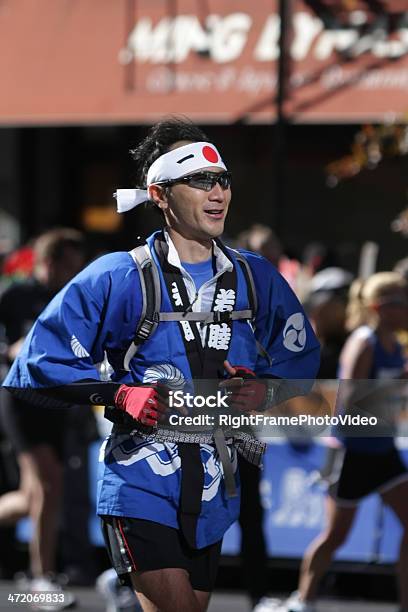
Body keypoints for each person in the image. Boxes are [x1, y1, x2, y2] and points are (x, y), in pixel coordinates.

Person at [3, 117, 320, 612]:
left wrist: (267, 389)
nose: (217, 192)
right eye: (199, 181)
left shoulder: (255, 276)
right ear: (160, 194)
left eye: (223, 181)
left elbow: (300, 355)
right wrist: (117, 394)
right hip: (140, 481)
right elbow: (39, 362)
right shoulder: (117, 275)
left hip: (217, 486)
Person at [256, 271, 408, 612]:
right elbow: (350, 398)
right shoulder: (363, 342)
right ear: (379, 308)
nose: (406, 308)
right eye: (399, 302)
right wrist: (398, 383)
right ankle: (303, 600)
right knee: (334, 537)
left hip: (382, 451)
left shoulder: (395, 345)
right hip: (353, 452)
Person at [0, 228, 87, 606]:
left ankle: (41, 578)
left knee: (36, 494)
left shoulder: (69, 300)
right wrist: (13, 350)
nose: (74, 274)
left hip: (54, 403)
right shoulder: (14, 295)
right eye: (69, 266)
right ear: (49, 262)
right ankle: (40, 579)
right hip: (18, 399)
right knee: (48, 484)